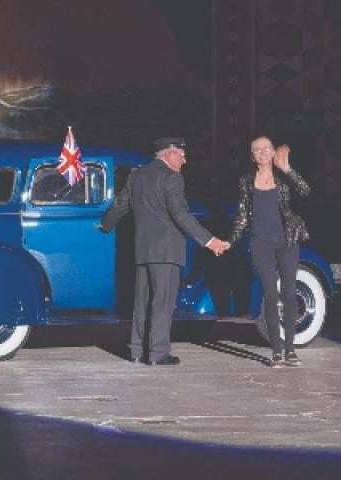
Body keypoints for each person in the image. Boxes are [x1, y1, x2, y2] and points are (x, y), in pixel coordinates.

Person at [101, 137, 228, 366]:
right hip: (167, 251)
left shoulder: (136, 176)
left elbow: (120, 205)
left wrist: (105, 226)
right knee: (163, 301)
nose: (185, 160)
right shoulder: (172, 178)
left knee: (142, 301)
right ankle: (159, 353)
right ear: (169, 154)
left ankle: (138, 351)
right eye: (182, 155)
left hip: (143, 250)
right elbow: (180, 214)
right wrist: (209, 241)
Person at [225, 136, 310, 368]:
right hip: (260, 243)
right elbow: (242, 216)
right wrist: (230, 241)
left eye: (266, 148)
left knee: (290, 293)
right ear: (252, 156)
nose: (262, 152)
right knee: (271, 295)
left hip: (287, 241)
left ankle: (290, 350)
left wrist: (288, 168)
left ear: (273, 152)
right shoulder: (246, 181)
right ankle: (276, 351)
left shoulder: (283, 178)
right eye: (257, 150)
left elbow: (305, 190)